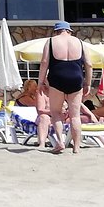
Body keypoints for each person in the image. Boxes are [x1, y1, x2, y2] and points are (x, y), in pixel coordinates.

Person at [37, 20, 92, 154]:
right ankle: (76, 147)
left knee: (56, 113)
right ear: (69, 31)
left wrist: (40, 82)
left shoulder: (51, 41)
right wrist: (88, 83)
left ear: (56, 31)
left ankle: (60, 142)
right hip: (76, 78)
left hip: (57, 78)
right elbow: (89, 64)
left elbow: (44, 62)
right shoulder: (80, 43)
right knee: (75, 116)